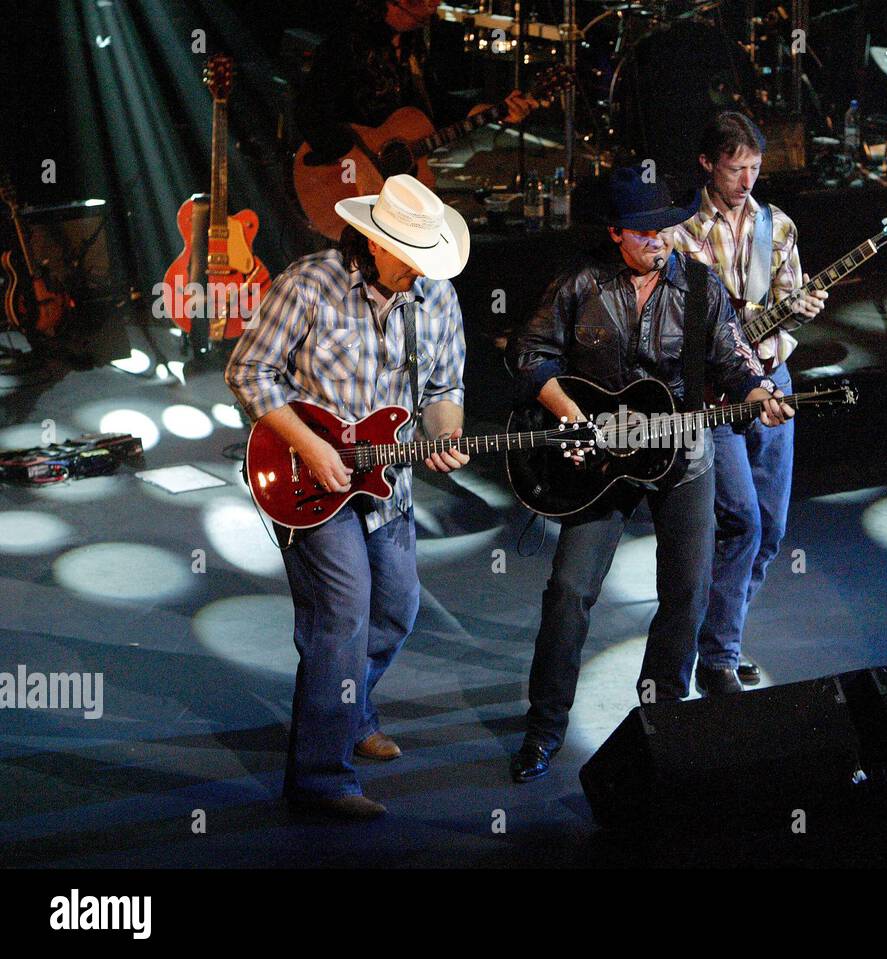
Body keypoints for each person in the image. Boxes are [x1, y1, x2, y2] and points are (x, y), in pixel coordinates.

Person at [508, 166, 794, 782]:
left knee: (687, 591)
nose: (659, 242)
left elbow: (734, 357)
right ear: (615, 233)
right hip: (601, 460)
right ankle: (545, 726)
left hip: (682, 451)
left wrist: (759, 390)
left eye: (666, 229)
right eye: (644, 234)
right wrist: (576, 419)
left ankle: (664, 710)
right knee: (568, 593)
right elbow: (529, 354)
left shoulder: (698, 286)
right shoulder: (580, 282)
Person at [225, 174, 471, 820]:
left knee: (397, 606)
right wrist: (309, 445)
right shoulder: (308, 284)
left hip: (387, 482)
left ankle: (349, 707)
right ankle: (320, 775)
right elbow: (247, 370)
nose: (421, 273)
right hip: (309, 476)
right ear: (373, 240)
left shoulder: (436, 298)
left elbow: (447, 390)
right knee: (344, 607)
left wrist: (446, 433)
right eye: (410, 258)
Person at [666, 112, 827, 696]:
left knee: (773, 528)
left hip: (773, 378)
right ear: (708, 164)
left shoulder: (777, 226)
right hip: (716, 391)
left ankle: (721, 636)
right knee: (741, 522)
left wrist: (800, 310)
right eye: (737, 169)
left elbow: (787, 301)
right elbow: (680, 322)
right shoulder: (680, 231)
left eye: (756, 168)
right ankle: (718, 656)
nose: (748, 181)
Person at [296, 0, 538, 180]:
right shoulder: (347, 44)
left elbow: (432, 104)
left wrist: (493, 111)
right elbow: (310, 114)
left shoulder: (412, 43)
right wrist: (357, 160)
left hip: (396, 180)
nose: (434, 4)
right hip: (343, 181)